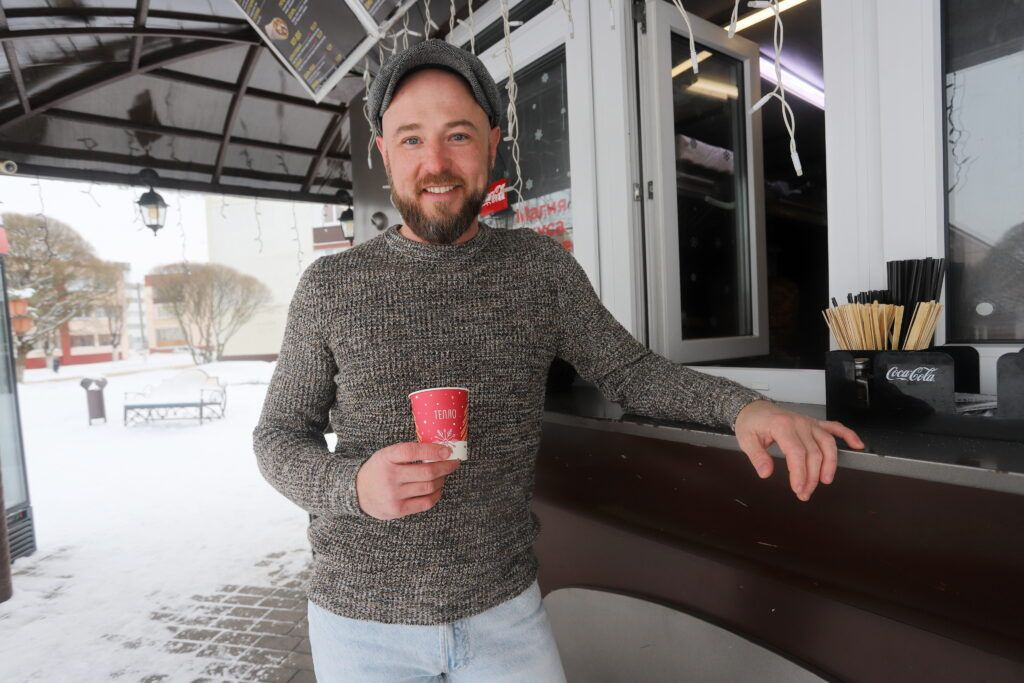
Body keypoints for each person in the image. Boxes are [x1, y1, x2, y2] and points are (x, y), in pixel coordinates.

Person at [253, 39, 864, 682]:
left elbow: (629, 371)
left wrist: (745, 408)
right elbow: (278, 436)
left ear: (492, 143)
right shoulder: (331, 286)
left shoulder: (538, 269)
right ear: (383, 152)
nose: (435, 163)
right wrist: (352, 487)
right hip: (361, 625)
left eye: (458, 135)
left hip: (505, 613)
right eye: (411, 139)